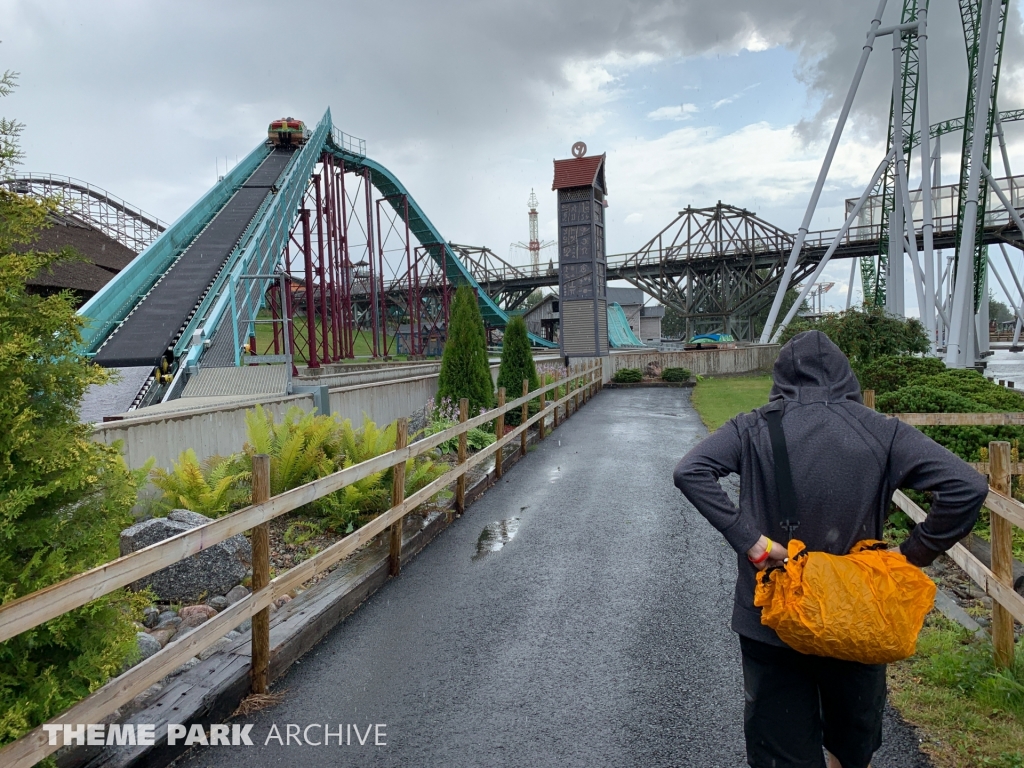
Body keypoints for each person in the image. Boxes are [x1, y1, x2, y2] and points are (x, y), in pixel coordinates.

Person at [673, 330, 987, 768]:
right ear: (846, 376)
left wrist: (753, 542)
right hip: (857, 614)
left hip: (772, 616)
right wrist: (912, 553)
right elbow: (967, 486)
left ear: (780, 377)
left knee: (781, 749)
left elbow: (691, 471)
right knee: (852, 746)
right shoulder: (882, 431)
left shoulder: (752, 426)